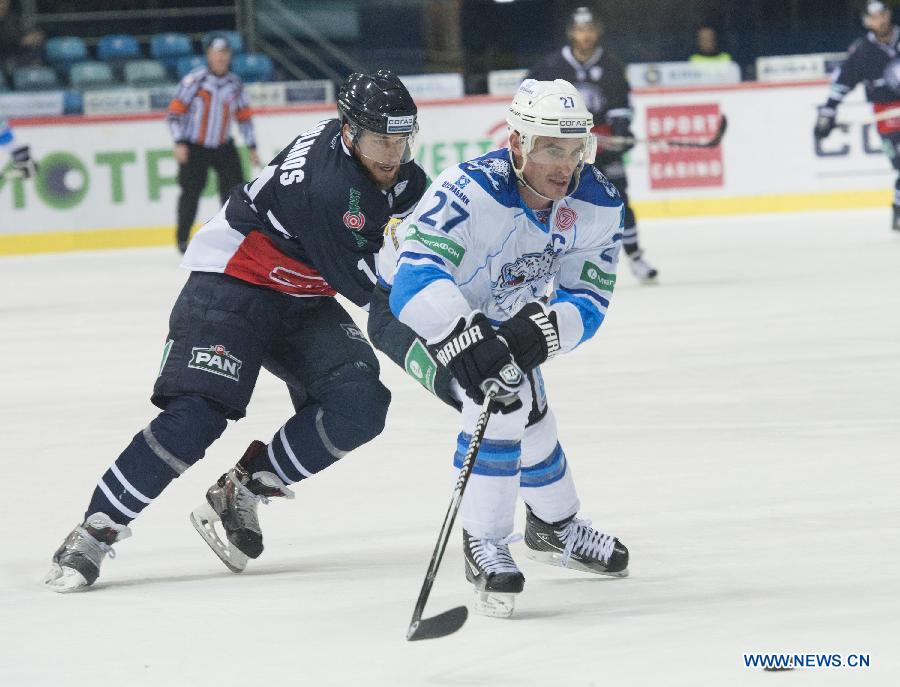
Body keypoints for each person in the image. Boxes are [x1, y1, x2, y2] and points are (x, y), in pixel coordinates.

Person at [44, 70, 427, 592]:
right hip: (234, 283)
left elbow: (421, 245)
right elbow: (378, 297)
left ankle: (244, 487)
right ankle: (96, 529)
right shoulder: (329, 188)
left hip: (302, 293)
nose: (394, 153)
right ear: (349, 131)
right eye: (383, 139)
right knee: (196, 414)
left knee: (359, 402)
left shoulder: (393, 172)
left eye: (403, 138)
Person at [373, 78, 629, 619]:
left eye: (574, 149)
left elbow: (589, 297)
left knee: (534, 413)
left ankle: (553, 527)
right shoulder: (472, 190)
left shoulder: (597, 205)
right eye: (550, 149)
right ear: (516, 145)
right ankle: (484, 544)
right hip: (414, 312)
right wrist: (465, 336)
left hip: (501, 312)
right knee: (502, 399)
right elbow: (414, 279)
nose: (565, 165)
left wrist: (543, 329)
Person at [529, 6, 658, 283]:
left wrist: (621, 130)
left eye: (589, 29)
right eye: (580, 29)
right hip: (565, 150)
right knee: (555, 203)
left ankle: (636, 258)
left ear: (596, 32)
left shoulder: (611, 66)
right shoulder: (551, 67)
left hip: (603, 147)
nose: (585, 35)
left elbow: (620, 106)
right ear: (571, 33)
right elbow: (530, 100)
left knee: (619, 199)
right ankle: (545, 262)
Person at [166, 36, 260, 254]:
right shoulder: (195, 81)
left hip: (222, 146)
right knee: (190, 193)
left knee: (233, 194)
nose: (221, 57)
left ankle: (230, 237)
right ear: (208, 55)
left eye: (225, 53)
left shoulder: (234, 84)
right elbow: (174, 114)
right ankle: (182, 240)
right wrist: (179, 142)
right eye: (216, 53)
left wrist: (252, 146)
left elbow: (244, 118)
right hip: (195, 146)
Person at [815, 0, 900, 231]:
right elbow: (842, 83)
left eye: (883, 15)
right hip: (886, 116)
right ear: (867, 22)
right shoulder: (862, 51)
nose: (880, 21)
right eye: (874, 17)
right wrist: (828, 112)